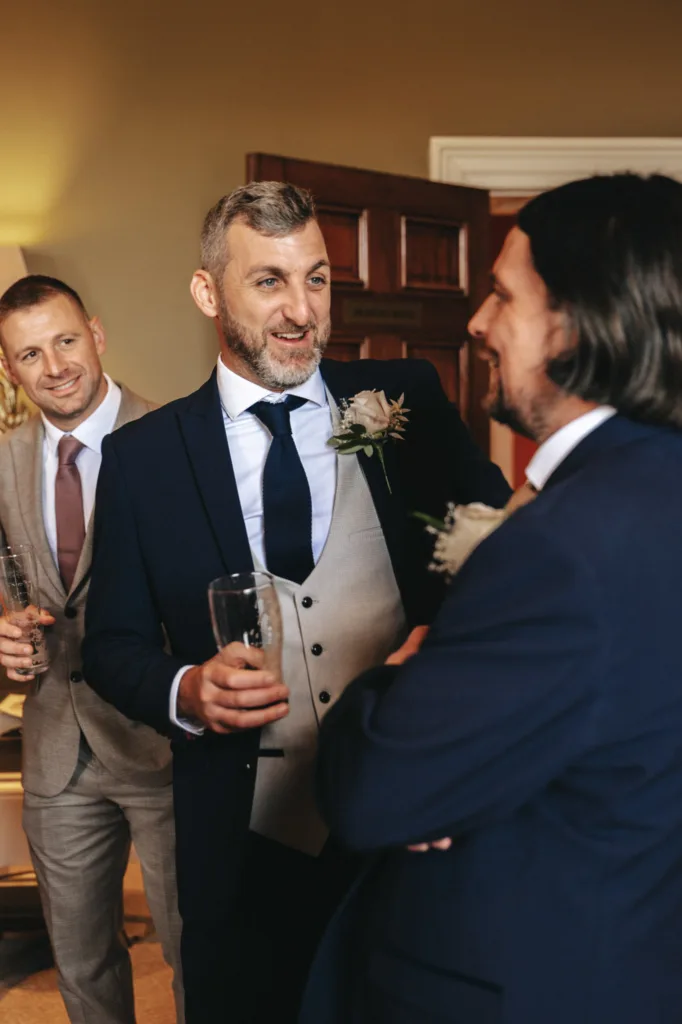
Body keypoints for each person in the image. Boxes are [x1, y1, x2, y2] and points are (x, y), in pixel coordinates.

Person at [81, 181, 511, 1024]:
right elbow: (112, 644)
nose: (301, 311)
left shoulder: (400, 401)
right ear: (208, 291)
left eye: (315, 279)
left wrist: (447, 642)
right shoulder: (144, 458)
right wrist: (188, 692)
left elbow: (506, 548)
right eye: (269, 281)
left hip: (406, 822)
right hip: (243, 845)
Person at [302, 172, 682, 1024]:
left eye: (503, 296)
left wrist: (400, 677)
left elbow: (375, 792)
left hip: (518, 980)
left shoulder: (560, 546)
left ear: (580, 321)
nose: (474, 323)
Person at [0, 276, 183, 1023]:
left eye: (66, 341)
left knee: (194, 947)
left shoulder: (176, 438)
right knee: (80, 961)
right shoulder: (3, 459)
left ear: (98, 335)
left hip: (165, 744)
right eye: (30, 354)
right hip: (54, 746)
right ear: (11, 369)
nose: (56, 366)